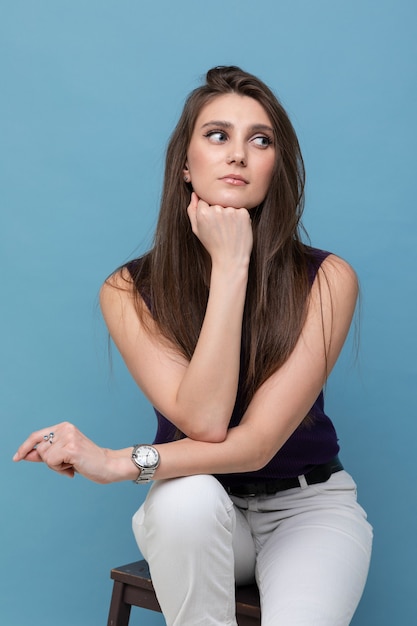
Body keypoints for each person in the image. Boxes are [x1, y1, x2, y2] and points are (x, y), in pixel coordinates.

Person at [14, 66, 373, 625]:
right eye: (217, 135)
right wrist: (230, 267)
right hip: (197, 509)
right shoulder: (128, 289)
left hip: (307, 507)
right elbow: (204, 422)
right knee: (188, 500)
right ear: (185, 165)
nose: (238, 155)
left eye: (260, 140)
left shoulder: (327, 279)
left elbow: (255, 446)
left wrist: (115, 462)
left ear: (276, 167)